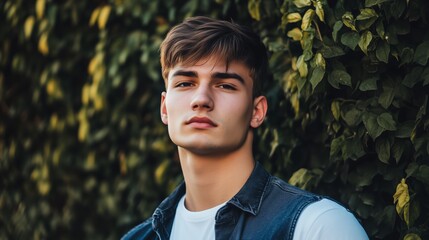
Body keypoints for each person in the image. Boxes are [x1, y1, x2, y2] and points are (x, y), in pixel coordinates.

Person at [122, 16, 368, 240]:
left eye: (225, 85)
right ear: (165, 108)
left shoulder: (318, 226)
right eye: (186, 83)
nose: (201, 99)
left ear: (256, 111)